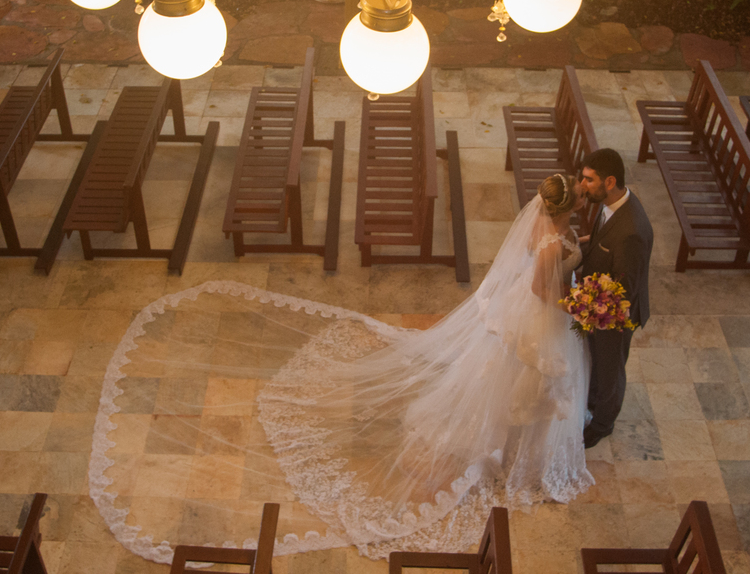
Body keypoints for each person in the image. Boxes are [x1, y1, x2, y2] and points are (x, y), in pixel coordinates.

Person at [254, 174, 594, 556]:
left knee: (522, 376)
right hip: (541, 313)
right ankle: (514, 445)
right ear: (564, 208)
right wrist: (574, 307)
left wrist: (574, 249)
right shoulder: (549, 240)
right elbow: (539, 287)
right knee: (529, 378)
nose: (586, 193)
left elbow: (554, 254)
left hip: (540, 306)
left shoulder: (552, 227)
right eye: (580, 192)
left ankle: (520, 437)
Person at [578, 148, 654, 449]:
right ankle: (593, 400)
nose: (583, 185)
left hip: (615, 316)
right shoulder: (608, 205)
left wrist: (584, 304)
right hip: (598, 303)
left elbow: (625, 290)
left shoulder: (632, 231)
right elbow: (600, 242)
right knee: (597, 363)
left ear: (609, 181)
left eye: (589, 179)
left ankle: (602, 423)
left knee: (610, 370)